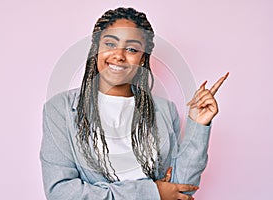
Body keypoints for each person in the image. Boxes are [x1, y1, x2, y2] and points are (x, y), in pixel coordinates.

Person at [40, 7, 228, 200]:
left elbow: (181, 190)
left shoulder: (164, 110)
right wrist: (152, 193)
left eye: (131, 49)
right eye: (110, 44)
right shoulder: (60, 108)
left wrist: (197, 125)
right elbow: (61, 192)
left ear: (143, 58)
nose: (119, 55)